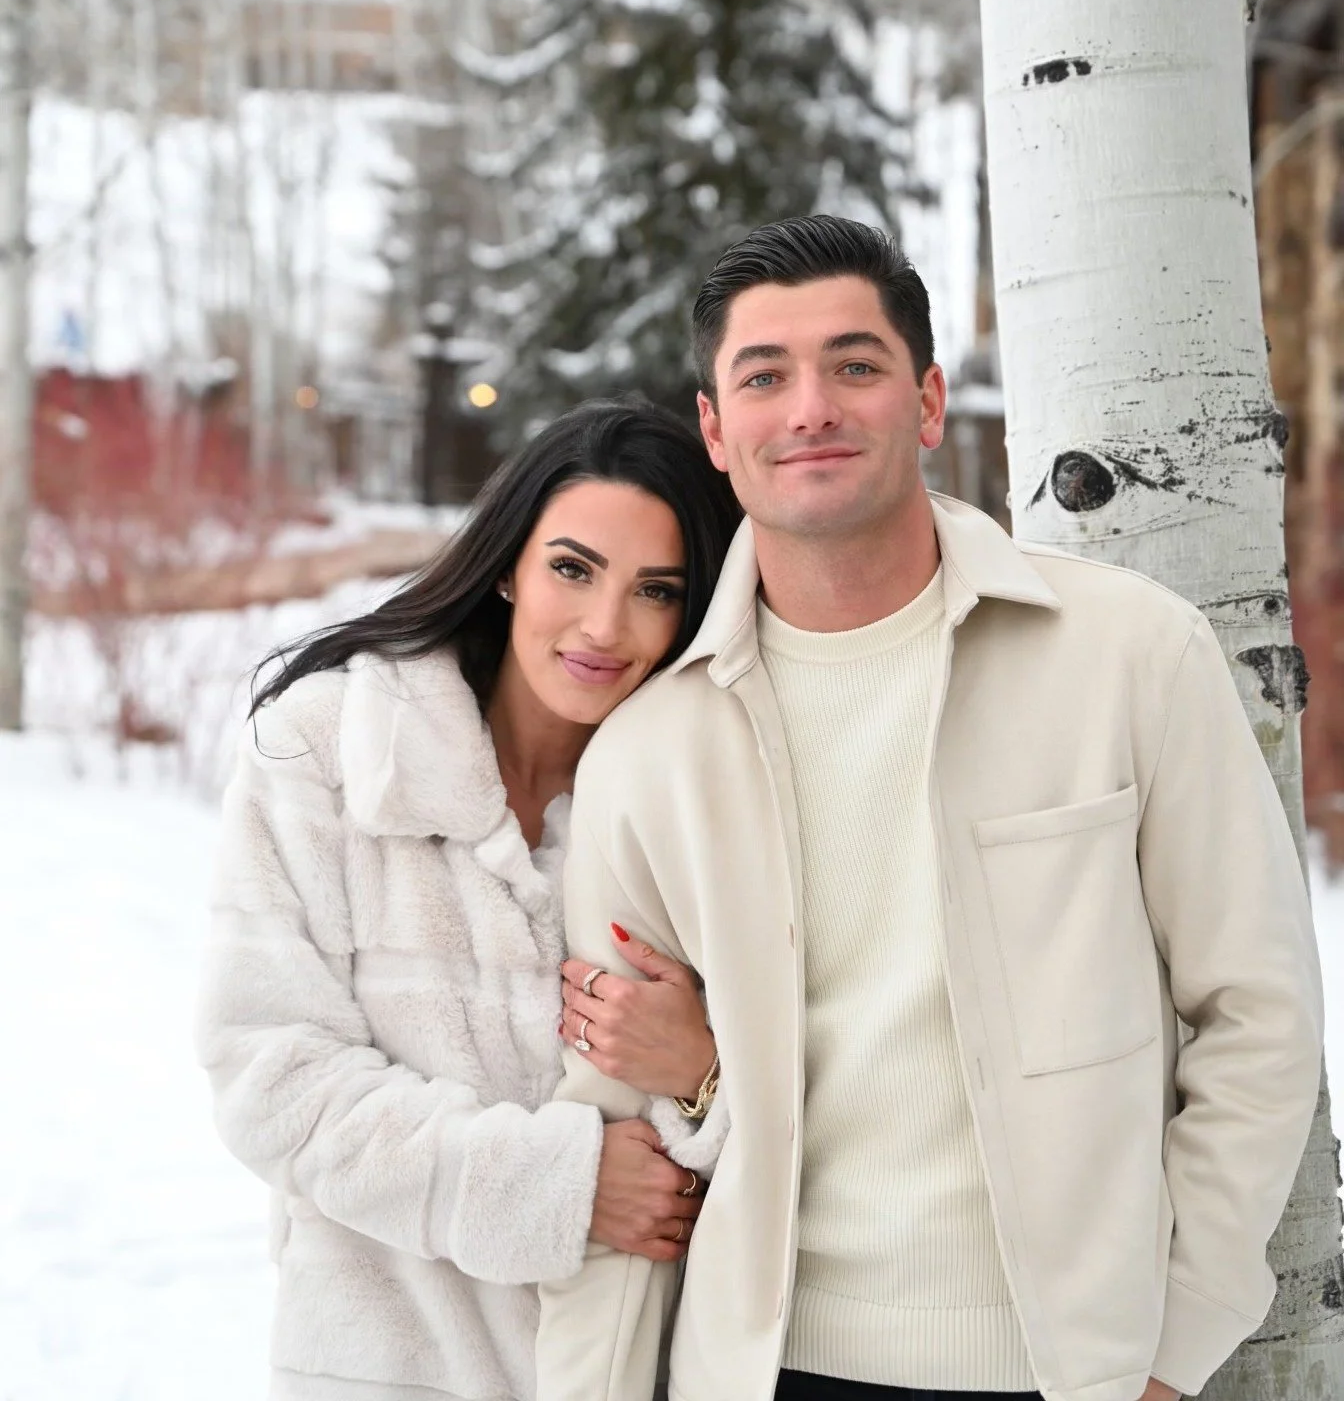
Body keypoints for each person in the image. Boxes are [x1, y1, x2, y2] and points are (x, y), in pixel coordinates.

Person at [535, 215, 1325, 1401]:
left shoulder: (1128, 653)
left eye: (855, 365)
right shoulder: (650, 754)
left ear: (927, 401)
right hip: (764, 1370)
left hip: (1073, 1372)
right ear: (713, 427)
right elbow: (619, 1138)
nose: (810, 407)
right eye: (765, 376)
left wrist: (1173, 1350)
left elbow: (1259, 1014)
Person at [196, 400, 740, 1401]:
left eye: (655, 590)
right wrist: (557, 1185)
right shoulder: (331, 747)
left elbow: (815, 1098)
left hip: (637, 1369)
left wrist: (706, 1072)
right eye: (572, 569)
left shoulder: (706, 805)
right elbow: (270, 1077)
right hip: (384, 1364)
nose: (604, 627)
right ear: (507, 565)